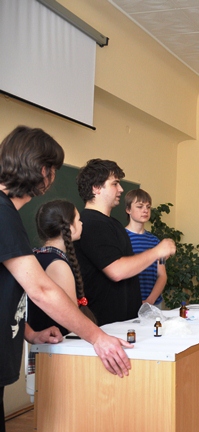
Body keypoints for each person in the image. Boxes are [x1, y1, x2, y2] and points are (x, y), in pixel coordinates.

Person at [0, 127, 131, 432]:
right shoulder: (2, 213)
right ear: (41, 170)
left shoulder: (7, 213)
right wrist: (97, 337)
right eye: (53, 169)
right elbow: (40, 289)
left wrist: (30, 333)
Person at [75, 159, 176, 326]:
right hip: (105, 325)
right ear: (96, 188)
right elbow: (116, 271)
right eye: (115, 184)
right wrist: (157, 251)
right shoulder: (91, 223)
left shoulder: (113, 224)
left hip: (126, 322)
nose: (121, 189)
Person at [28, 200, 97, 335]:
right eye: (78, 220)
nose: (82, 223)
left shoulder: (38, 256)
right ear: (69, 226)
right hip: (57, 340)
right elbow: (71, 318)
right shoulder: (58, 266)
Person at [125, 189, 167, 306]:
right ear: (128, 209)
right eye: (140, 206)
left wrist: (150, 300)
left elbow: (162, 275)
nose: (145, 210)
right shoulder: (121, 238)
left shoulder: (156, 241)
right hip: (128, 303)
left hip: (153, 304)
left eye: (148, 207)